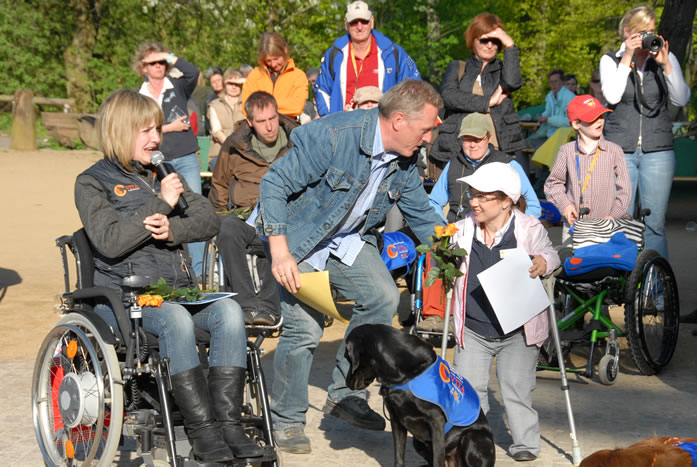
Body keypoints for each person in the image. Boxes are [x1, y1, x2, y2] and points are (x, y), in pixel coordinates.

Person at [256, 80, 445, 453]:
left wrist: (452, 250)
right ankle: (287, 419)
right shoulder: (333, 136)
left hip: (346, 238)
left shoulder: (406, 160)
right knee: (305, 329)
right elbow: (273, 184)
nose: (428, 139)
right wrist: (279, 251)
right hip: (297, 237)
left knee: (383, 297)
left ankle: (345, 392)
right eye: (425, 129)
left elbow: (422, 214)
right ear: (399, 121)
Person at [75, 89, 262, 462]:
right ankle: (202, 432)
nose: (156, 139)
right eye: (146, 131)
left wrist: (173, 230)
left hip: (176, 293)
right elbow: (110, 241)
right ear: (120, 131)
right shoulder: (92, 182)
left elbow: (208, 219)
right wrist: (160, 203)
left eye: (157, 129)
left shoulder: (165, 172)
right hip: (126, 300)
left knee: (229, 312)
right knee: (175, 318)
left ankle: (229, 425)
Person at [449, 162, 560, 462]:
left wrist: (543, 262)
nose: (473, 202)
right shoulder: (462, 229)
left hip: (518, 330)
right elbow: (445, 257)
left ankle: (526, 443)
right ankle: (474, 443)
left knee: (516, 388)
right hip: (473, 327)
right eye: (472, 194)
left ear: (505, 201)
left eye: (482, 196)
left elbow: (552, 254)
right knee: (469, 391)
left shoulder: (529, 228)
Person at [419, 113, 541, 332]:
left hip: (498, 232)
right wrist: (444, 231)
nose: (472, 144)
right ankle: (436, 315)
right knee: (435, 250)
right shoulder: (453, 164)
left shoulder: (509, 164)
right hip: (459, 230)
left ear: (488, 138)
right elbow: (434, 202)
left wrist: (517, 229)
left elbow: (533, 205)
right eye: (467, 139)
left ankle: (500, 317)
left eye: (477, 139)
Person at [600, 5, 690, 259]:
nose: (648, 37)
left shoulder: (663, 58)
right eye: (642, 32)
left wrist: (666, 65)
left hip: (658, 151)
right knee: (622, 221)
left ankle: (656, 282)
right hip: (621, 150)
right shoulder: (610, 60)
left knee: (655, 224)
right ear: (627, 32)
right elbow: (612, 96)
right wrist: (627, 57)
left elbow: (681, 99)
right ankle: (624, 279)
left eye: (651, 31)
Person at [211, 92, 299, 326]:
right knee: (227, 228)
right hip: (247, 217)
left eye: (272, 118)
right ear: (250, 122)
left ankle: (270, 308)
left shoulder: (299, 140)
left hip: (288, 219)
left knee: (277, 233)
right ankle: (246, 305)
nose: (269, 127)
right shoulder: (234, 146)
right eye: (261, 121)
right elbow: (219, 184)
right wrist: (219, 217)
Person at [133, 42, 205, 279]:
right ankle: (170, 271)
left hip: (186, 157)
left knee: (193, 211)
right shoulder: (139, 97)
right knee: (161, 212)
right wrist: (169, 127)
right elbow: (136, 130)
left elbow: (193, 72)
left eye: (161, 61)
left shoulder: (178, 86)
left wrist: (168, 55)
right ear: (143, 67)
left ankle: (200, 272)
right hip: (156, 161)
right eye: (153, 62)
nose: (158, 66)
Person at [431, 13, 528, 174]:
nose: (490, 45)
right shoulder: (457, 67)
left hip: (497, 148)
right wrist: (488, 102)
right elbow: (449, 97)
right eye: (484, 40)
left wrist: (510, 44)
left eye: (496, 41)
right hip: (459, 148)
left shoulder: (504, 70)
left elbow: (512, 82)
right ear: (473, 39)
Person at [544, 95, 632, 242]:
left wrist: (613, 216)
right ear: (576, 124)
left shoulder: (614, 151)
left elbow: (625, 190)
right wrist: (565, 206)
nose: (599, 121)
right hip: (574, 227)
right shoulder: (566, 151)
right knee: (571, 257)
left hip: (607, 227)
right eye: (592, 118)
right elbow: (553, 184)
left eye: (601, 116)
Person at [315, 1, 421, 116]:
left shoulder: (393, 52)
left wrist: (399, 118)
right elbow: (322, 90)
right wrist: (329, 119)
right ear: (346, 24)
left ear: (372, 22)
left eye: (364, 21)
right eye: (354, 22)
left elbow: (413, 88)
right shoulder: (333, 54)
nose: (359, 27)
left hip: (383, 123)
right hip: (343, 124)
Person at [241, 32, 308, 119]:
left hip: (287, 123)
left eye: (276, 59)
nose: (273, 64)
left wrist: (261, 105)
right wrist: (281, 105)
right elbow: (246, 107)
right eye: (268, 60)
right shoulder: (255, 74)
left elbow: (297, 106)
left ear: (285, 50)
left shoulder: (298, 76)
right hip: (258, 123)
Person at [528, 68, 576, 148]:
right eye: (551, 82)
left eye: (556, 81)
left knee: (538, 150)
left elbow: (570, 122)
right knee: (524, 145)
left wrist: (548, 119)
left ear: (562, 82)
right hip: (550, 135)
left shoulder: (570, 97)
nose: (553, 84)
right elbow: (547, 112)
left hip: (566, 138)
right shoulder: (550, 96)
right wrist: (542, 117)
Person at [208, 68, 246, 166]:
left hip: (245, 153)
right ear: (224, 84)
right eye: (230, 83)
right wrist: (234, 147)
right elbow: (217, 132)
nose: (234, 87)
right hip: (220, 153)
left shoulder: (248, 104)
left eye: (237, 84)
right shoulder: (215, 105)